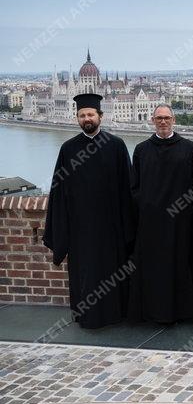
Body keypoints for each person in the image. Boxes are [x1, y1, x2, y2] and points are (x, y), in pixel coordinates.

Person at [43, 93, 134, 329]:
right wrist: (61, 230)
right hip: (80, 228)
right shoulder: (68, 149)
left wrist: (128, 229)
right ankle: (86, 316)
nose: (87, 118)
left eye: (91, 114)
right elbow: (59, 191)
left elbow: (128, 189)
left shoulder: (116, 145)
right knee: (85, 274)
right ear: (77, 119)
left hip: (110, 226)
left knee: (112, 273)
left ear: (100, 116)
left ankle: (115, 314)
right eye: (82, 115)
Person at [128, 103, 193, 324]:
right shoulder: (141, 149)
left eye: (166, 118)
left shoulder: (189, 147)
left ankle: (181, 312)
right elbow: (134, 186)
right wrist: (148, 207)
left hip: (180, 221)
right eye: (159, 118)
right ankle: (152, 312)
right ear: (153, 120)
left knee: (180, 264)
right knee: (153, 268)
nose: (163, 121)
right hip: (151, 222)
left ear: (174, 120)